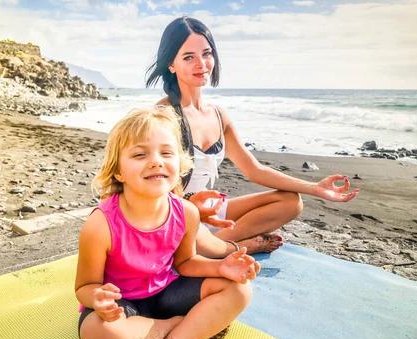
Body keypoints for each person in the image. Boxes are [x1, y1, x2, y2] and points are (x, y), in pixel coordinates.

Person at [74, 106, 260, 339]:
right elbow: (85, 286)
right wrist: (96, 298)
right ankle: (187, 326)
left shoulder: (186, 212)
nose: (155, 162)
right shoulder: (100, 225)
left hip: (167, 293)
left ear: (181, 164)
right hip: (121, 307)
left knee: (240, 289)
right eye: (140, 154)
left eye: (166, 153)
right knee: (99, 338)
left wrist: (220, 267)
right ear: (118, 172)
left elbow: (185, 263)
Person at [146, 16, 359, 259]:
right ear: (170, 64)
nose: (201, 63)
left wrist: (316, 188)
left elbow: (254, 171)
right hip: (176, 217)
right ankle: (220, 248)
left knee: (292, 201)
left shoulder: (218, 115)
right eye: (188, 57)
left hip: (209, 217)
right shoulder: (163, 116)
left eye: (206, 53)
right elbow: (153, 190)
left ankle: (214, 245)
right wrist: (192, 206)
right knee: (190, 217)